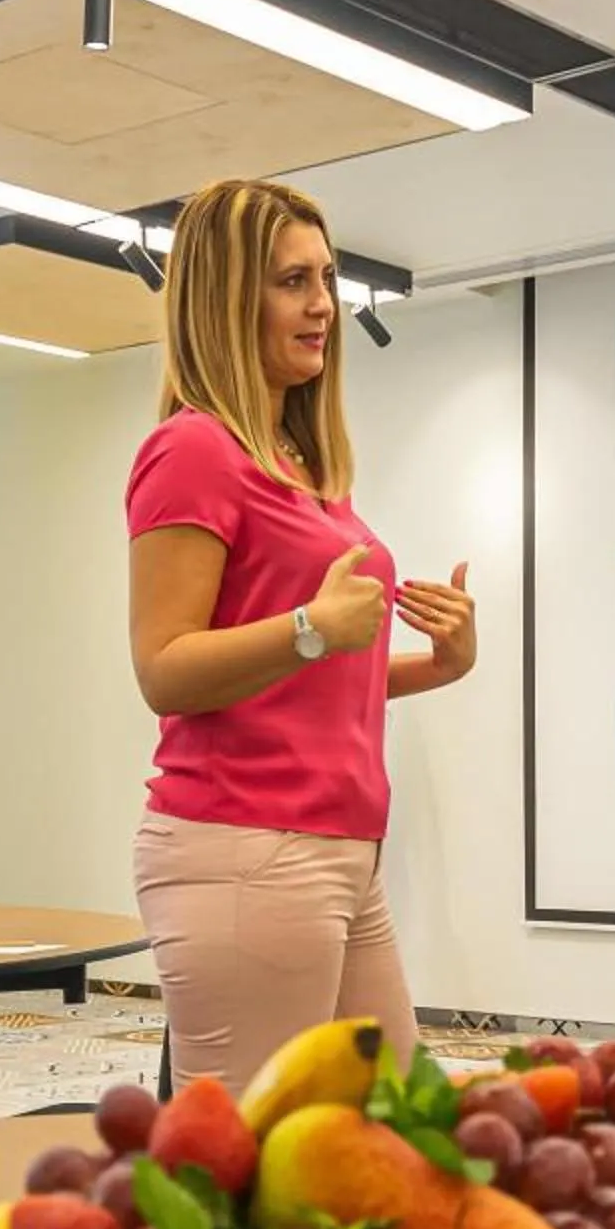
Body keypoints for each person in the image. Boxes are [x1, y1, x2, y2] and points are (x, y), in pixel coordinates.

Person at [124, 178, 477, 1093]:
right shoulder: (193, 449)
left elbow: (306, 679)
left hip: (337, 851)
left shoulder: (295, 464)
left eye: (326, 279)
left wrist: (435, 666)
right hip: (246, 847)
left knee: (398, 1133)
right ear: (227, 299)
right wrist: (311, 630)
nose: (322, 304)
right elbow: (165, 669)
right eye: (292, 281)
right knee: (246, 1168)